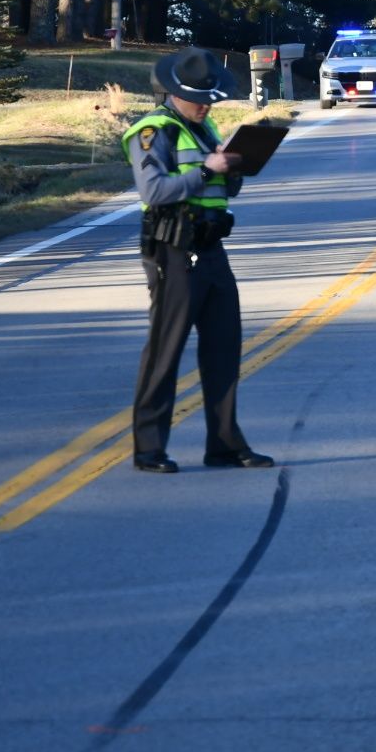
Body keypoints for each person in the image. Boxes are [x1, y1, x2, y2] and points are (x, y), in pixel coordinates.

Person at [122, 47, 274, 474]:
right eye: (200, 98)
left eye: (211, 97)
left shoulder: (203, 128)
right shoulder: (153, 132)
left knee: (224, 347)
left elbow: (222, 191)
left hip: (210, 248)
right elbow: (153, 192)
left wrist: (232, 170)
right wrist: (207, 170)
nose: (207, 105)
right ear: (175, 92)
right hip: (172, 251)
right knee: (165, 352)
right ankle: (149, 449)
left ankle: (224, 444)